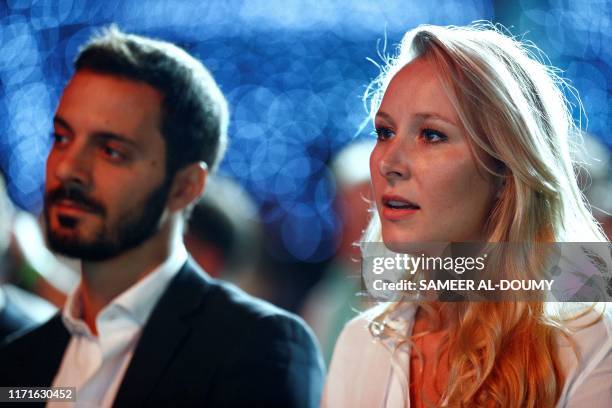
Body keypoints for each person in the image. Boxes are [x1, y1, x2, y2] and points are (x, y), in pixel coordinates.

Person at [0, 27, 324, 407]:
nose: (68, 168)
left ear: (186, 186)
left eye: (111, 151)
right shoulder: (19, 362)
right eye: (62, 138)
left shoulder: (254, 347)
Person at [323, 23, 612, 407]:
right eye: (385, 131)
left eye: (432, 135)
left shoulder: (591, 341)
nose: (389, 162)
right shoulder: (361, 342)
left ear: (507, 171)